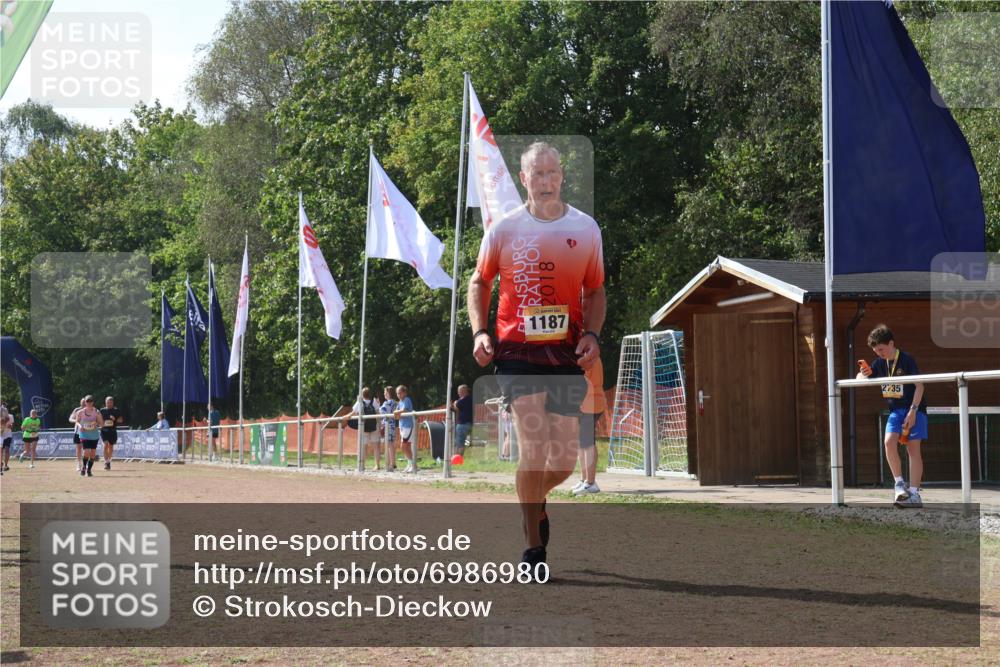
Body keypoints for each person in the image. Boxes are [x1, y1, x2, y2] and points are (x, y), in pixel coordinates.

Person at [467, 141, 606, 568]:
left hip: (565, 354)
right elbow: (479, 282)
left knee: (563, 460)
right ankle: (533, 547)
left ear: (562, 177)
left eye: (553, 173)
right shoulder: (504, 229)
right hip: (517, 352)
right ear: (524, 179)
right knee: (533, 448)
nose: (546, 182)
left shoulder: (586, 229)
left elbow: (595, 289)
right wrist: (480, 332)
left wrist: (593, 335)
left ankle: (532, 499)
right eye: (537, 174)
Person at [857, 324, 927, 508]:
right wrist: (861, 375)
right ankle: (899, 484)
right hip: (895, 411)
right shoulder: (879, 363)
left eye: (881, 349)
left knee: (913, 450)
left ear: (891, 343)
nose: (879, 353)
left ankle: (914, 493)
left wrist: (913, 411)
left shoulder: (907, 360)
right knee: (889, 442)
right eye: (875, 351)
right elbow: (864, 377)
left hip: (914, 409)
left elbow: (920, 386)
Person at [573, 357, 607, 496]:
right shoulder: (588, 354)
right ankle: (584, 480)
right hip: (588, 402)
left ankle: (591, 483)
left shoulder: (587, 356)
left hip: (590, 402)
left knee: (587, 443)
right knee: (582, 443)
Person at [349, 387, 381, 471]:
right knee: (376, 446)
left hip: (363, 427)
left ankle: (362, 465)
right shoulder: (374, 401)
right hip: (374, 427)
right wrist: (379, 425)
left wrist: (345, 417)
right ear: (369, 394)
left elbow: (353, 413)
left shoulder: (359, 403)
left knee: (363, 447)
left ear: (362, 395)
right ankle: (377, 465)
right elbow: (378, 414)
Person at [76, 395, 102, 477]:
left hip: (94, 435)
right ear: (85, 403)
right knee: (86, 451)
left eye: (91, 401)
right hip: (84, 434)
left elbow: (102, 423)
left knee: (93, 454)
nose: (89, 403)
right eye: (87, 401)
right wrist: (80, 427)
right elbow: (77, 422)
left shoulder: (96, 411)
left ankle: (89, 470)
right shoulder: (80, 412)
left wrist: (96, 424)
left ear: (93, 402)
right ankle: (84, 467)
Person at [393, 385, 416, 473]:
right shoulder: (399, 402)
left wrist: (397, 412)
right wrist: (396, 413)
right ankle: (410, 464)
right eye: (397, 393)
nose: (398, 395)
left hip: (408, 426)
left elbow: (405, 410)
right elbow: (396, 415)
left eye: (400, 393)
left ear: (404, 393)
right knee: (407, 446)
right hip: (402, 426)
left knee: (403, 446)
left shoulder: (407, 400)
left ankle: (412, 463)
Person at [99, 396, 123, 471]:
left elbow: (121, 420)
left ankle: (108, 461)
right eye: (107, 402)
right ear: (105, 402)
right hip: (104, 430)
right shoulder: (102, 410)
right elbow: (98, 420)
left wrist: (115, 419)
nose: (109, 403)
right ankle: (106, 462)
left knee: (111, 446)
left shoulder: (116, 410)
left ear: (113, 403)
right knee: (106, 445)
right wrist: (100, 424)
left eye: (110, 402)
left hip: (112, 430)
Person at [379, 386, 398, 472]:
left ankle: (391, 464)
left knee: (389, 445)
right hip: (393, 425)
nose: (384, 394)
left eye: (385, 392)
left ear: (389, 393)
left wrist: (378, 404)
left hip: (388, 425)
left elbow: (381, 412)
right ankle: (392, 463)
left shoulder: (388, 403)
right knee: (391, 445)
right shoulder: (395, 402)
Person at [452, 384, 473, 457]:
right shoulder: (471, 399)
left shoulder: (461, 401)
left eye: (459, 391)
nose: (458, 393)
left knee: (459, 443)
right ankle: (459, 457)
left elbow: (455, 407)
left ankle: (458, 459)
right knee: (463, 442)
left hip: (462, 424)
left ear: (463, 391)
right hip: (470, 424)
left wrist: (455, 403)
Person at [69, 398, 85, 472]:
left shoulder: (90, 410)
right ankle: (79, 464)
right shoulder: (77, 410)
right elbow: (70, 419)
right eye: (82, 402)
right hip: (78, 432)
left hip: (87, 432)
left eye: (85, 402)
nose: (84, 404)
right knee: (78, 448)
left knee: (86, 448)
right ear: (80, 403)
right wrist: (76, 420)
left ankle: (86, 464)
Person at [0, 400, 13, 473]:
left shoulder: (7, 413)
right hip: (1, 434)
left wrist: (5, 424)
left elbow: (9, 422)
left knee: (7, 449)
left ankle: (6, 465)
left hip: (7, 434)